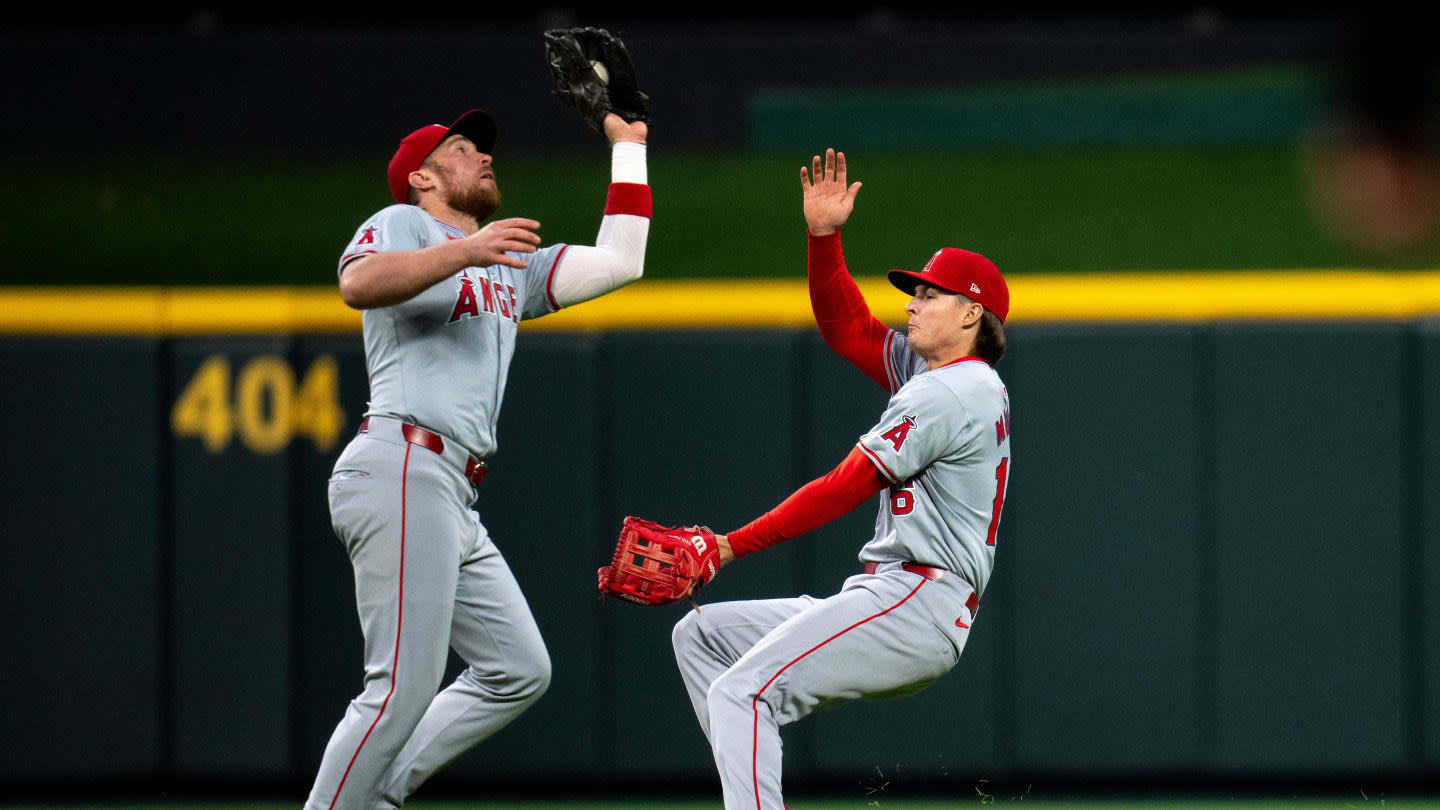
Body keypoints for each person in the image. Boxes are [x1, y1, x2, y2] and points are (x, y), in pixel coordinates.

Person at [306, 107, 651, 810]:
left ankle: (378, 797)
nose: (484, 158)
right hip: (402, 462)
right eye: (463, 149)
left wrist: (629, 148)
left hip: (452, 491)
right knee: (398, 688)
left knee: (518, 669)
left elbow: (622, 260)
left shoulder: (502, 259)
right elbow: (357, 284)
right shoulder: (406, 222)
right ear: (423, 177)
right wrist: (464, 249)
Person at [670, 149, 1011, 810]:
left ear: (971, 314)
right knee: (702, 638)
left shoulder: (953, 392)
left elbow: (846, 484)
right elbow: (846, 327)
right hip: (894, 591)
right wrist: (824, 238)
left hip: (919, 600)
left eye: (929, 293)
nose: (913, 303)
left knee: (741, 692)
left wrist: (728, 544)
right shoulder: (937, 378)